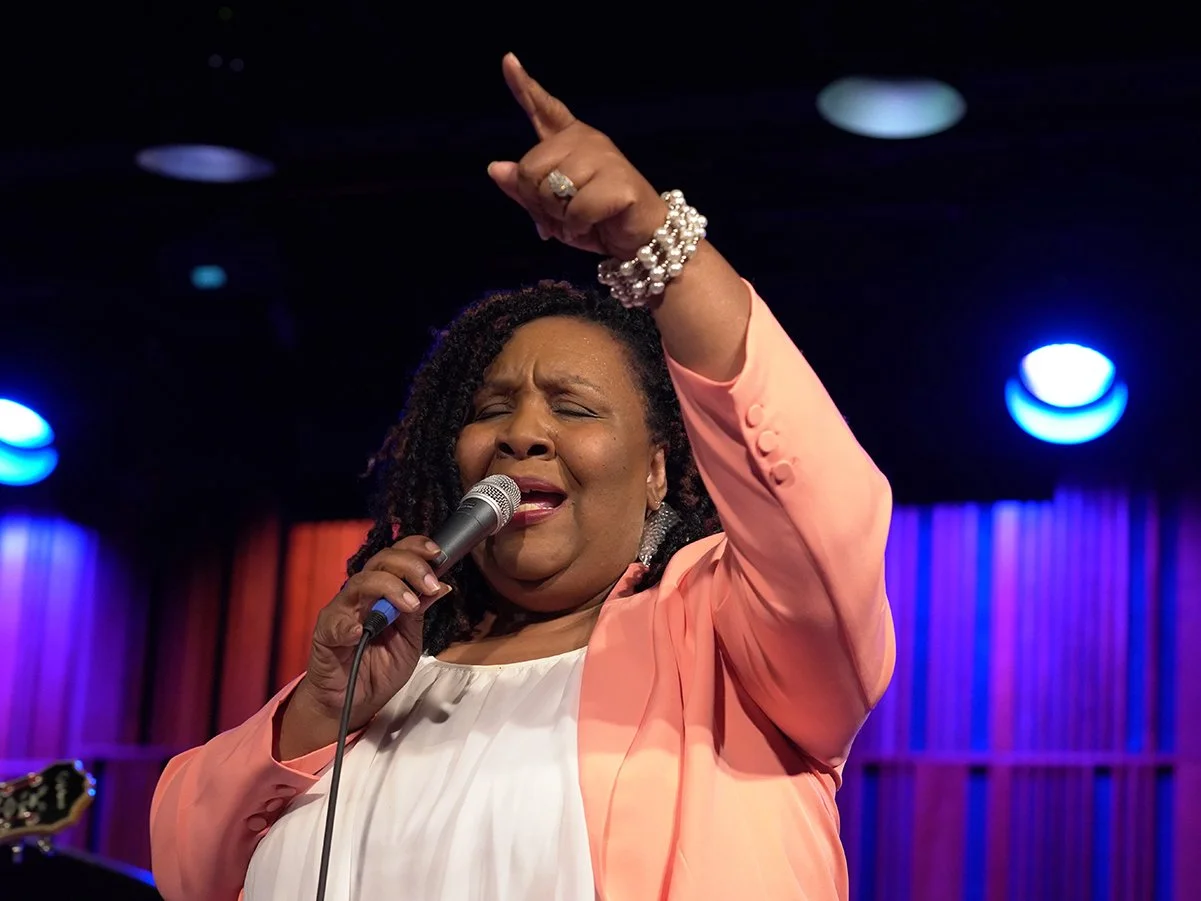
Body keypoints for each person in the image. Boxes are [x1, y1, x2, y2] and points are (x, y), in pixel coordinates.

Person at [149, 53, 896, 901]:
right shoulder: (376, 678)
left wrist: (654, 241)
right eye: (493, 408)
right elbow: (189, 866)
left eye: (572, 408)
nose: (522, 433)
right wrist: (323, 708)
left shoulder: (730, 642)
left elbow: (818, 513)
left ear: (657, 471)